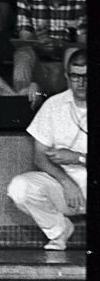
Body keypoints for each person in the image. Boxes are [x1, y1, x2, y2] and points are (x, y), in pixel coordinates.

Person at [7, 49, 87, 251]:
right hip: (65, 189)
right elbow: (40, 157)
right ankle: (59, 231)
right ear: (67, 76)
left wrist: (78, 157)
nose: (81, 82)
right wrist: (66, 182)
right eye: (76, 76)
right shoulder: (53, 105)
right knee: (20, 187)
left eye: (86, 76)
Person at [12, 0, 87, 94]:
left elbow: (83, 43)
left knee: (73, 52)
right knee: (23, 53)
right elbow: (25, 39)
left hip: (66, 66)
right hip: (39, 68)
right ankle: (24, 97)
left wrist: (59, 44)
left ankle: (73, 98)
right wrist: (37, 39)